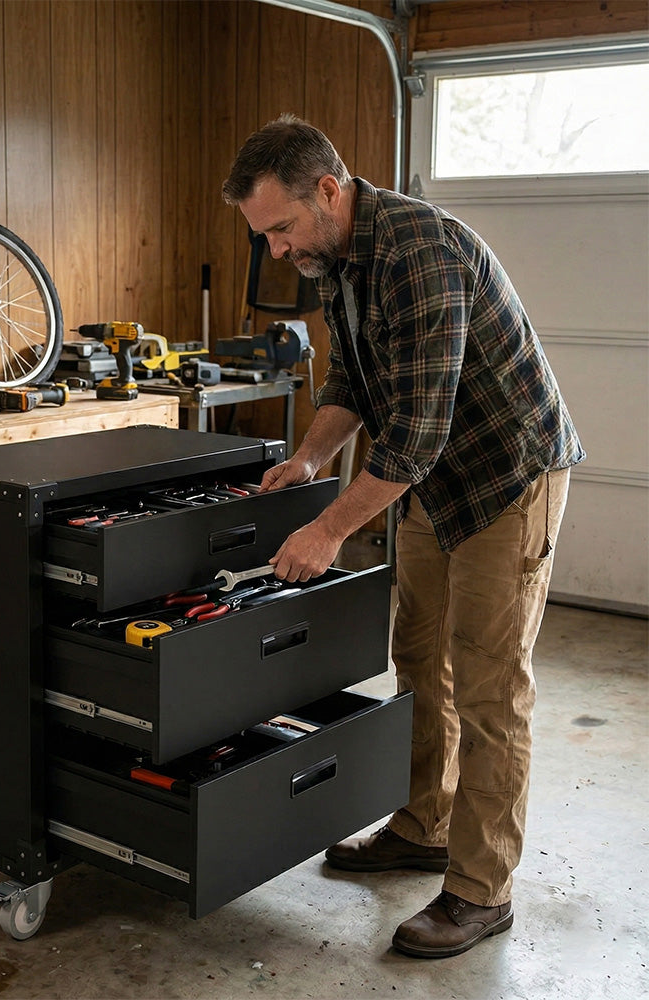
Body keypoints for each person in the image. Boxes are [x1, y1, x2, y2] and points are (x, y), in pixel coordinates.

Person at [222, 114, 584, 959]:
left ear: (327, 189)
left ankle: (480, 889)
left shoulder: (422, 252)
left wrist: (326, 531)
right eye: (263, 235)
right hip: (425, 478)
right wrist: (312, 460)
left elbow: (415, 432)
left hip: (504, 472)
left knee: (490, 680)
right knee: (421, 657)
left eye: (279, 228)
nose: (275, 250)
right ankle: (424, 826)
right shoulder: (333, 258)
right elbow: (354, 375)